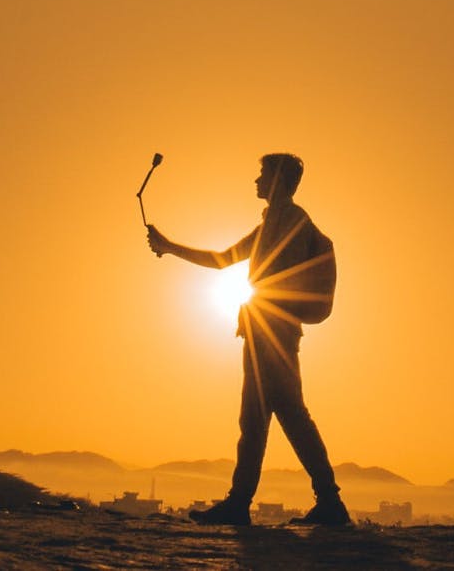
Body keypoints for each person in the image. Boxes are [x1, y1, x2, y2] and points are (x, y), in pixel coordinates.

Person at [147, 153, 350, 526]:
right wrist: (171, 246)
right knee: (262, 418)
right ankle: (258, 502)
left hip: (271, 331)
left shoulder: (288, 220)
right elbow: (226, 260)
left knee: (280, 415)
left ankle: (317, 502)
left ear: (276, 181)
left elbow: (273, 278)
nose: (256, 180)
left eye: (262, 174)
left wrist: (263, 319)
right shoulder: (277, 221)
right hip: (268, 329)